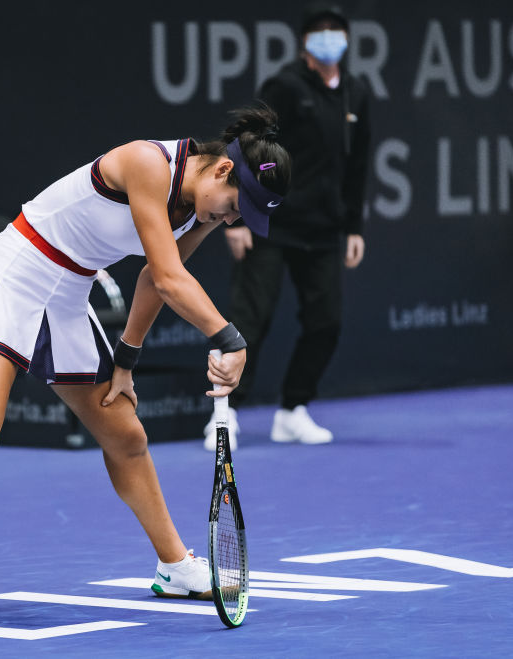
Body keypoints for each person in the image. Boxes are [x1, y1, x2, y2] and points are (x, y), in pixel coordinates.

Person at [0, 107, 291, 637]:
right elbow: (173, 278)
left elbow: (156, 278)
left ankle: (174, 566)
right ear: (222, 172)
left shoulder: (197, 208)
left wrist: (126, 360)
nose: (230, 220)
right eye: (234, 207)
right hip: (17, 273)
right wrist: (229, 338)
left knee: (126, 435)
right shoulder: (146, 163)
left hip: (69, 291)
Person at [204, 2, 370, 450]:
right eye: (320, 31)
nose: (329, 38)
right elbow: (248, 144)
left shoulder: (357, 93)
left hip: (324, 230)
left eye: (337, 30)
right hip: (269, 222)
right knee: (248, 323)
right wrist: (236, 219)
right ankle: (225, 415)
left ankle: (293, 411)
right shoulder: (284, 86)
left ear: (348, 40)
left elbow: (358, 164)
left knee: (326, 323)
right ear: (305, 42)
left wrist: (353, 225)